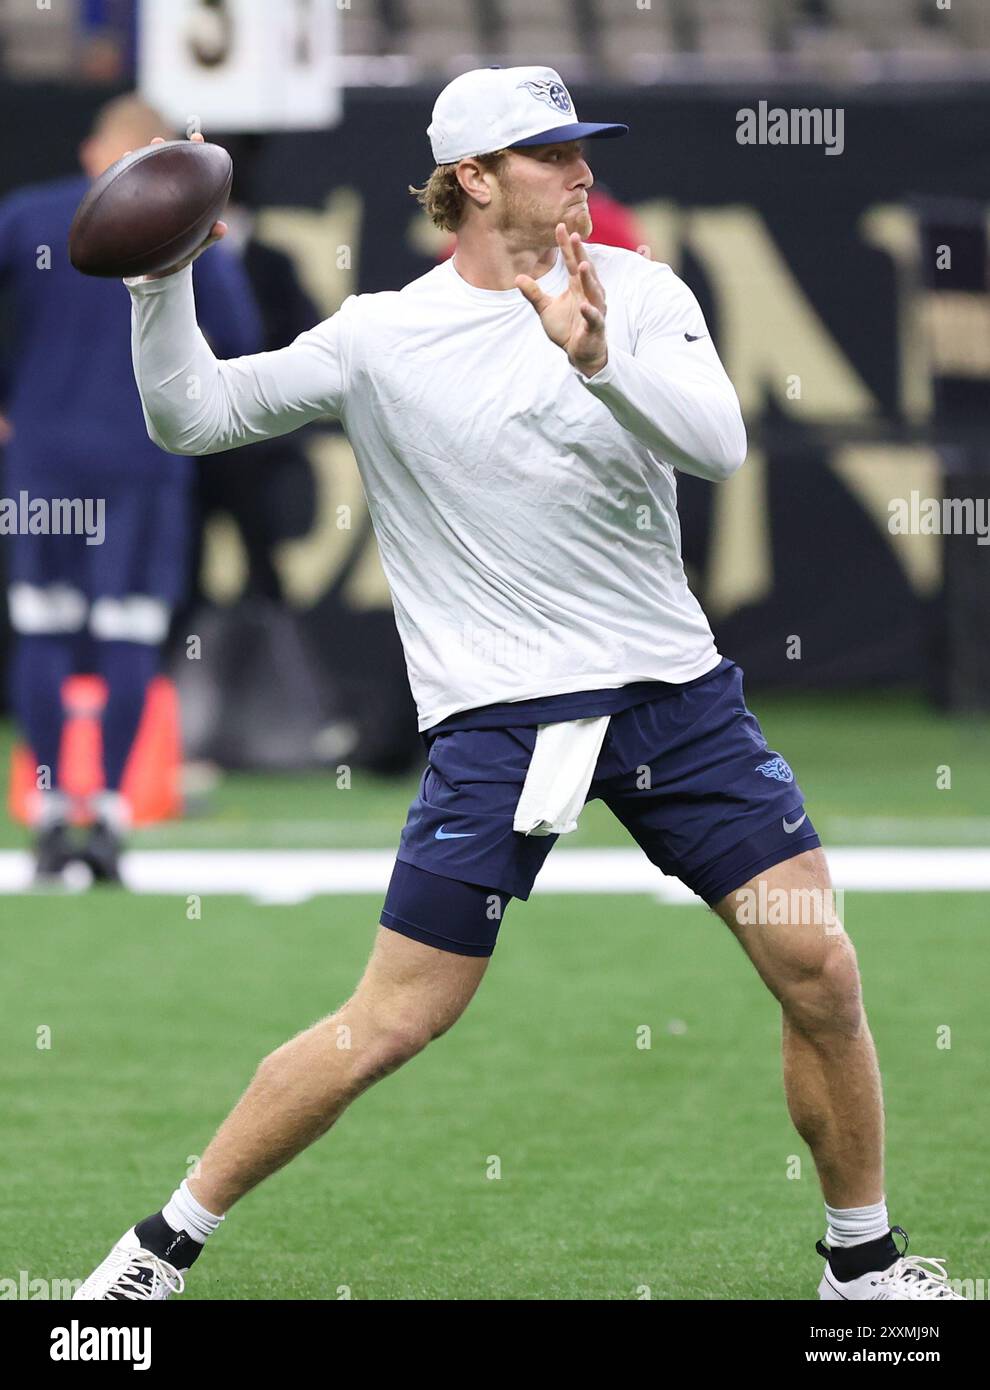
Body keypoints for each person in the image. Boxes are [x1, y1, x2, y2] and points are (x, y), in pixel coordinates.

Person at [74, 68, 960, 1300]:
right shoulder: (383, 335)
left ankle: (861, 1267)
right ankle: (154, 1254)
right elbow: (191, 415)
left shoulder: (639, 290)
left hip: (674, 696)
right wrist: (161, 279)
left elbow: (718, 443)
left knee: (822, 967)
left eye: (580, 148)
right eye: (549, 154)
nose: (582, 172)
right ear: (474, 180)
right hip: (501, 720)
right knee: (392, 1020)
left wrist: (599, 358)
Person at [0, 94, 261, 882]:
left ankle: (50, 813)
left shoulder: (28, 215)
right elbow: (240, 341)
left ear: (92, 152)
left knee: (44, 628)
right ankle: (109, 810)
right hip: (144, 460)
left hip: (44, 458)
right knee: (126, 632)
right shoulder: (180, 230)